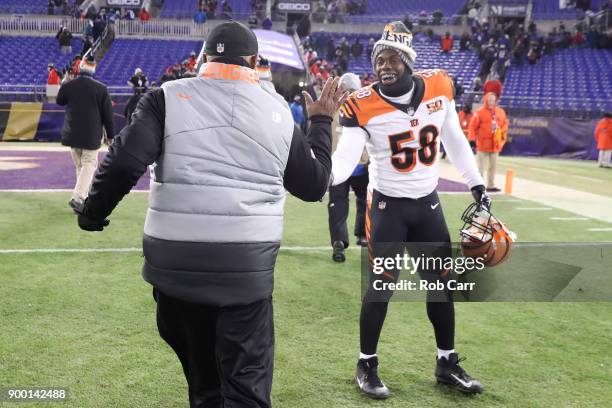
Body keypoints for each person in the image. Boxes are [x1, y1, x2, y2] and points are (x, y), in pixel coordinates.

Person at [75, 21, 346, 407]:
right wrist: (320, 121)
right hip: (243, 270)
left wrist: (92, 212)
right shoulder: (279, 112)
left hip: (174, 268)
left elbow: (123, 162)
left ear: (204, 57)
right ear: (254, 62)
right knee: (245, 391)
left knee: (204, 388)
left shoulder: (166, 97)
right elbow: (314, 185)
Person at [332, 21, 488, 399]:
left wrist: (476, 183)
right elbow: (342, 164)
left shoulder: (439, 87)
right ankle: (366, 364)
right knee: (381, 288)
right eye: (379, 59)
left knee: (441, 288)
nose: (385, 66)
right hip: (388, 208)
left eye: (392, 59)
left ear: (408, 61)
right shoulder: (362, 105)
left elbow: (454, 139)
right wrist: (313, 172)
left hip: (428, 205)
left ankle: (446, 361)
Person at [56, 55, 115, 211]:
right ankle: (78, 197)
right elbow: (108, 115)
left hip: (72, 134)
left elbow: (59, 100)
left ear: (80, 68)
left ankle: (81, 200)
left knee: (81, 167)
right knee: (89, 165)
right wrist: (110, 135)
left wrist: (64, 81)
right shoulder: (101, 89)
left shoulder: (70, 85)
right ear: (93, 69)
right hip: (91, 135)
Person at [329, 73, 369, 262]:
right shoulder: (331, 108)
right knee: (337, 204)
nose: (348, 94)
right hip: (337, 167)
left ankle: (361, 234)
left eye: (351, 91)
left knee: (364, 201)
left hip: (362, 165)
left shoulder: (368, 109)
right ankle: (338, 242)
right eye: (345, 91)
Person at [469, 92, 508, 192]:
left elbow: (504, 125)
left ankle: (491, 185)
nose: (491, 102)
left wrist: (502, 138)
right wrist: (472, 140)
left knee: (493, 166)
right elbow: (473, 127)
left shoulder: (500, 112)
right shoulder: (480, 112)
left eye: (493, 100)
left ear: (496, 101)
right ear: (486, 100)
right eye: (489, 100)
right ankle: (479, 186)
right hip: (482, 145)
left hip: (495, 145)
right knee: (481, 167)